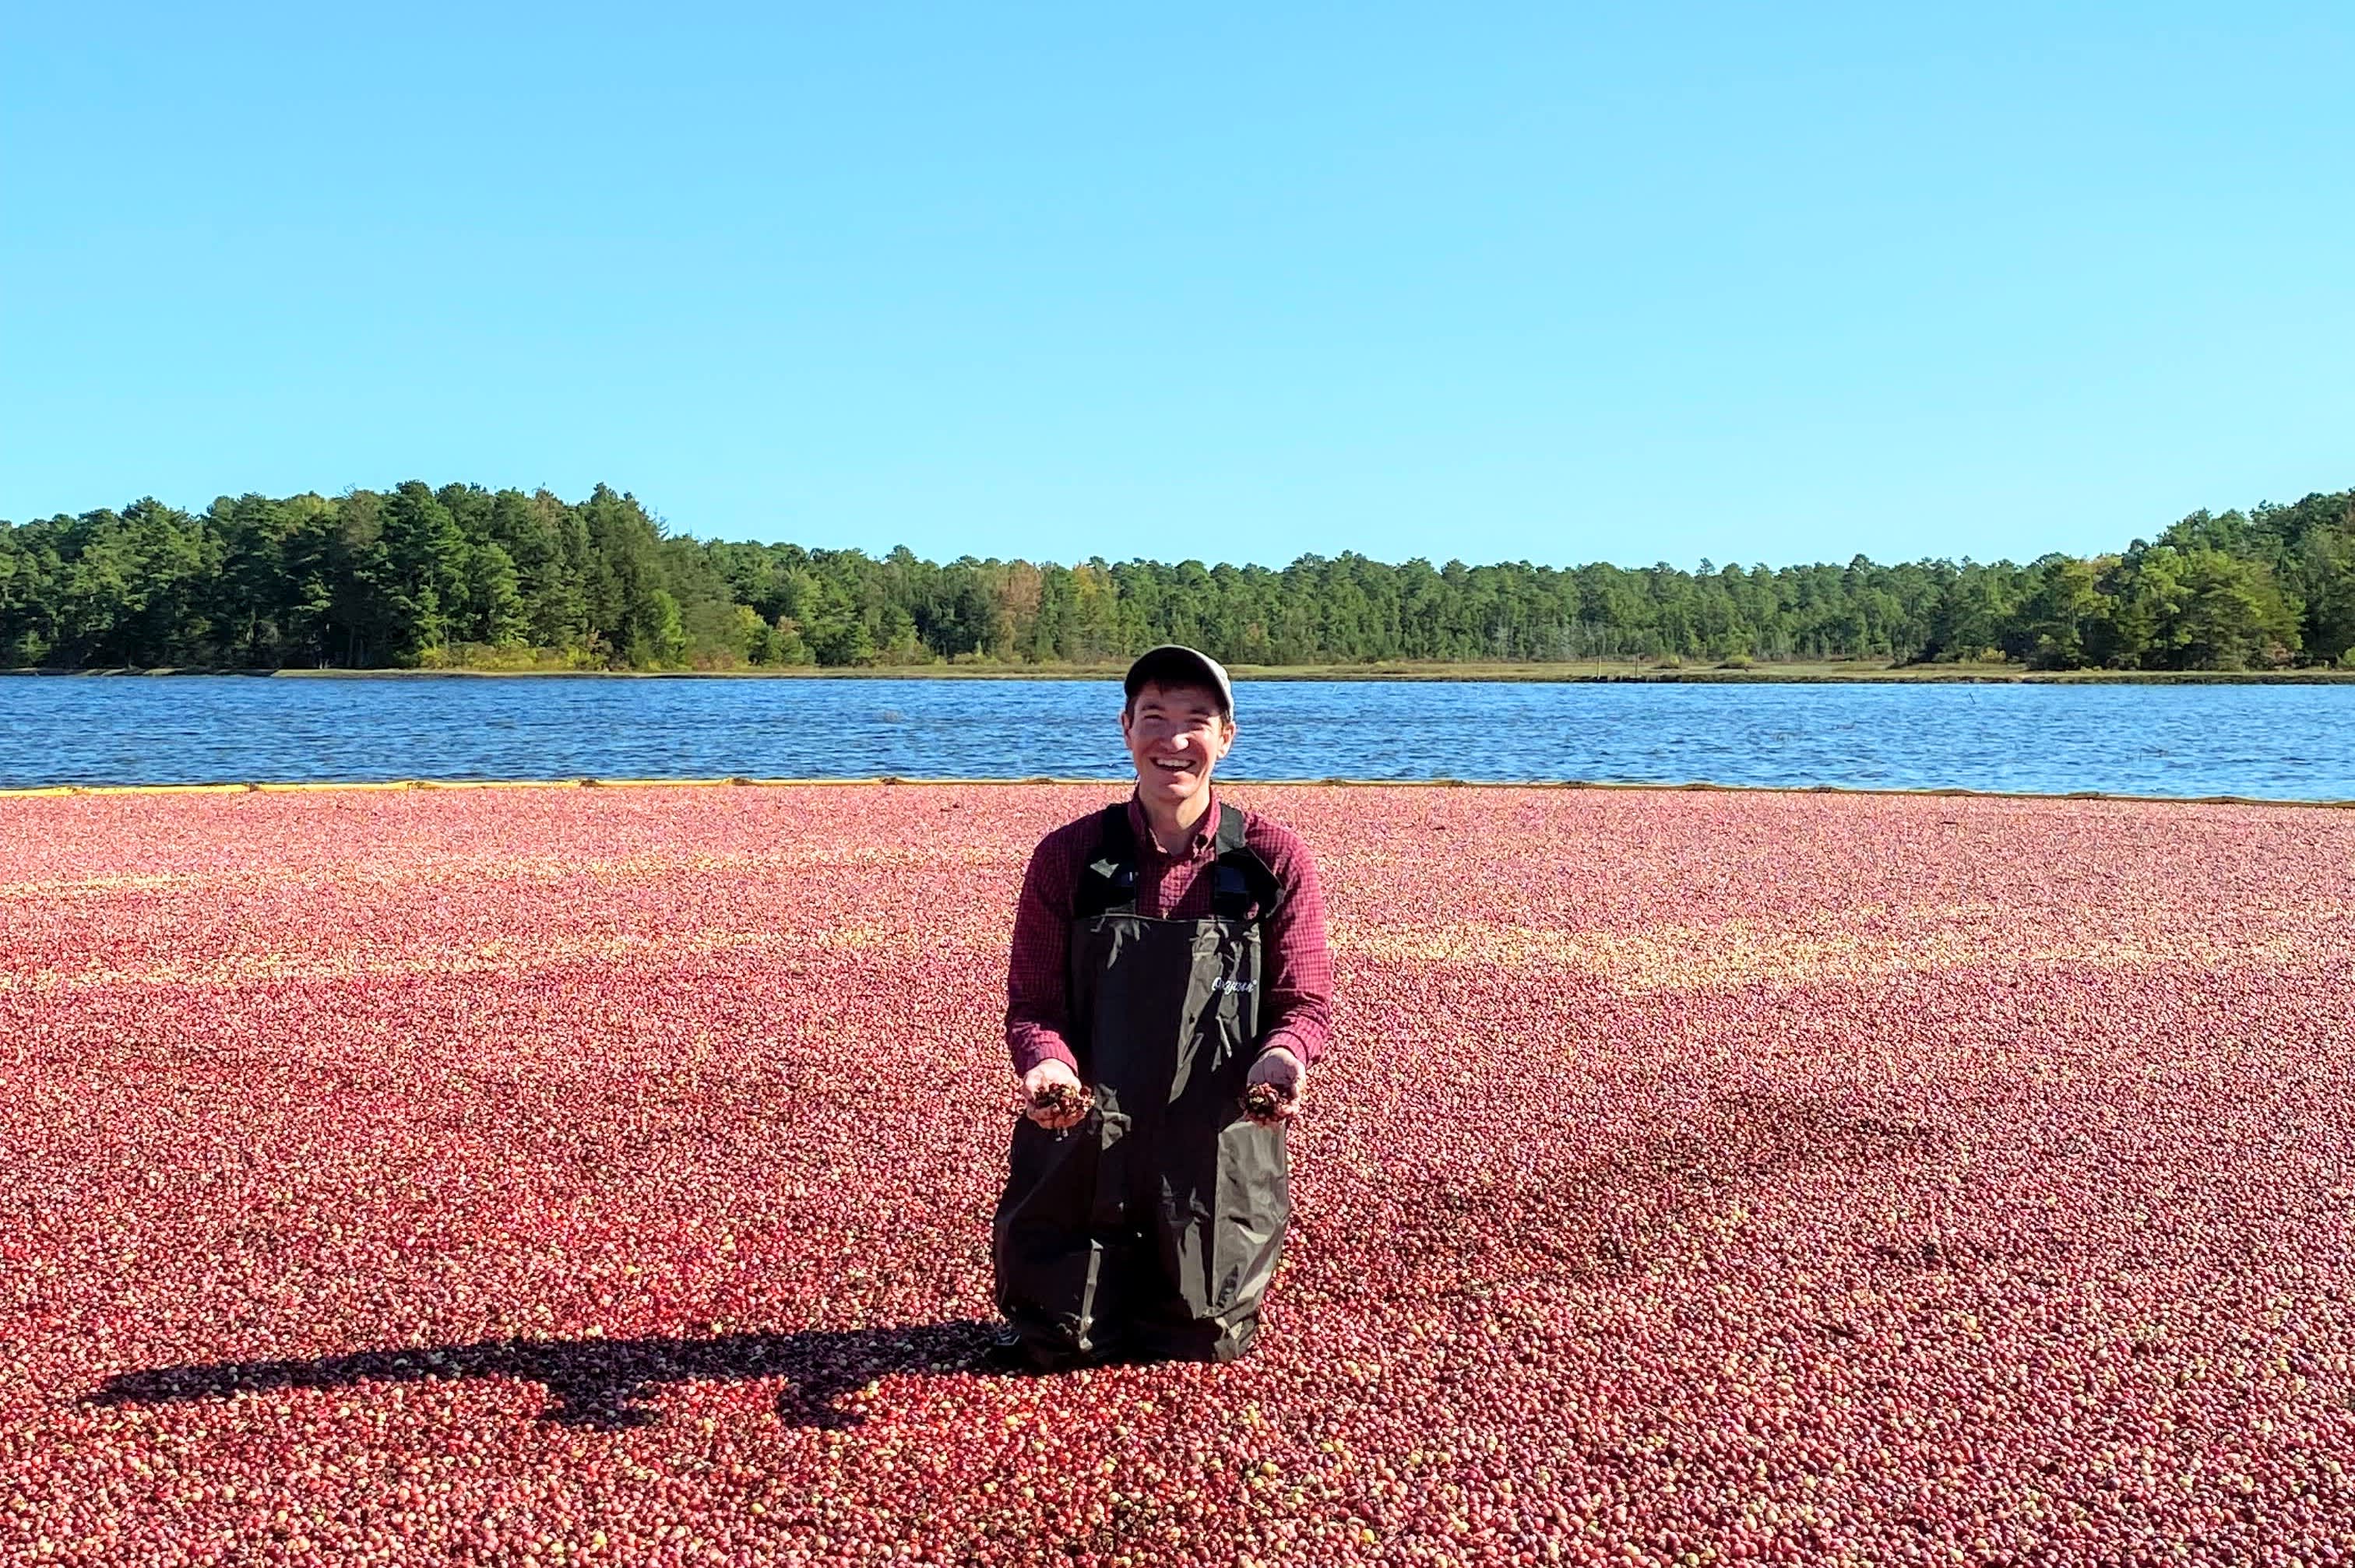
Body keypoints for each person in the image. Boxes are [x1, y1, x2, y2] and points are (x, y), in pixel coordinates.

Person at [991, 645, 1333, 1369]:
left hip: (1213, 1142)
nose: (1173, 740)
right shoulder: (1069, 857)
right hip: (1087, 1135)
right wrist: (1048, 1069)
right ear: (1125, 728)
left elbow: (1303, 1003)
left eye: (1196, 721)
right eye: (1154, 716)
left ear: (1227, 736)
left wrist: (1283, 1059)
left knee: (1200, 1337)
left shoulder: (1272, 860)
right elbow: (1035, 1004)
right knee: (1060, 1339)